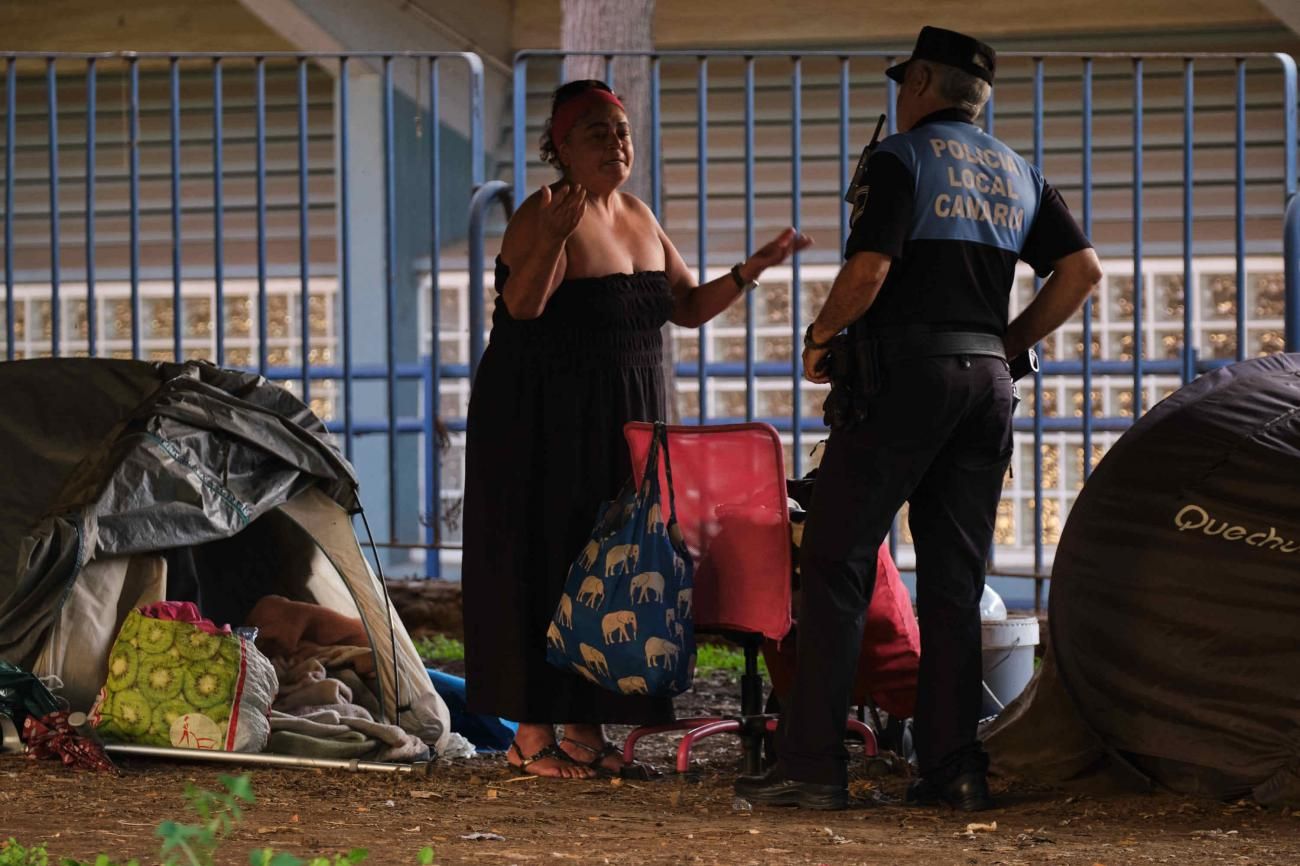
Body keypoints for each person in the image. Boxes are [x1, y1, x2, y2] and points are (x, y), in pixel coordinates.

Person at [735, 26, 1103, 810]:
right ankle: (953, 769)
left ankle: (810, 770)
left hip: (904, 380)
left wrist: (821, 335)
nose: (900, 97)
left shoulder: (900, 159)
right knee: (954, 582)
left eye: (906, 83)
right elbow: (1081, 271)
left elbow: (869, 269)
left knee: (835, 562)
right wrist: (1007, 345)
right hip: (986, 387)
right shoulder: (1018, 172)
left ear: (926, 82)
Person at [461, 79, 812, 779]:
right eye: (596, 132)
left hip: (625, 413)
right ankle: (532, 733)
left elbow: (684, 307)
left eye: (620, 131)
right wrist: (555, 240)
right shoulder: (544, 211)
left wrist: (753, 269)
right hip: (542, 416)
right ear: (560, 147)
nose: (615, 143)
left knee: (612, 563)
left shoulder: (640, 214)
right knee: (545, 554)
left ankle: (585, 726)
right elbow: (523, 307)